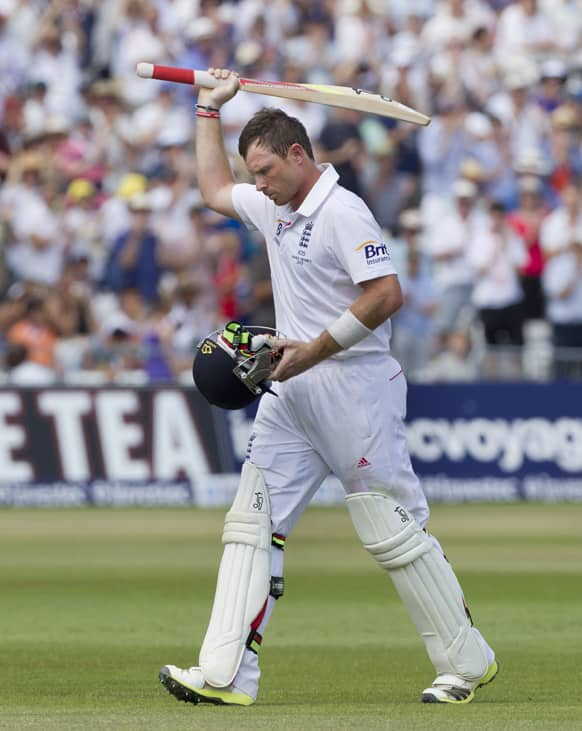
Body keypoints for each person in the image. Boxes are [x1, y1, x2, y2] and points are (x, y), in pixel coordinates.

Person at [160, 68, 498, 708]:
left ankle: (465, 662)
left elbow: (386, 295)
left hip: (353, 387)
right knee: (250, 523)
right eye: (252, 175)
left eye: (265, 171)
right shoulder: (275, 204)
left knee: (392, 530)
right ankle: (227, 673)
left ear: (298, 154)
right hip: (291, 392)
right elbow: (210, 189)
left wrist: (312, 349)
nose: (258, 186)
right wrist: (208, 109)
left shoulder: (343, 211)